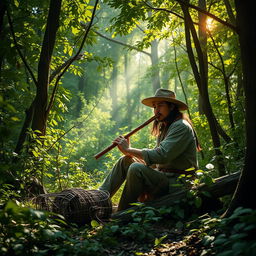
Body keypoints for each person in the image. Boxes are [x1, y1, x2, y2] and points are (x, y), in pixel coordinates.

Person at [99, 88, 200, 211]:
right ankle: (97, 199)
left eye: (160, 106)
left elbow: (161, 155)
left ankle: (121, 213)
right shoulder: (166, 126)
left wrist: (130, 149)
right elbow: (157, 162)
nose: (156, 111)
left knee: (136, 168)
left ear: (172, 106)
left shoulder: (181, 126)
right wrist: (128, 153)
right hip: (164, 178)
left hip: (178, 184)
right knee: (125, 161)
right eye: (155, 107)